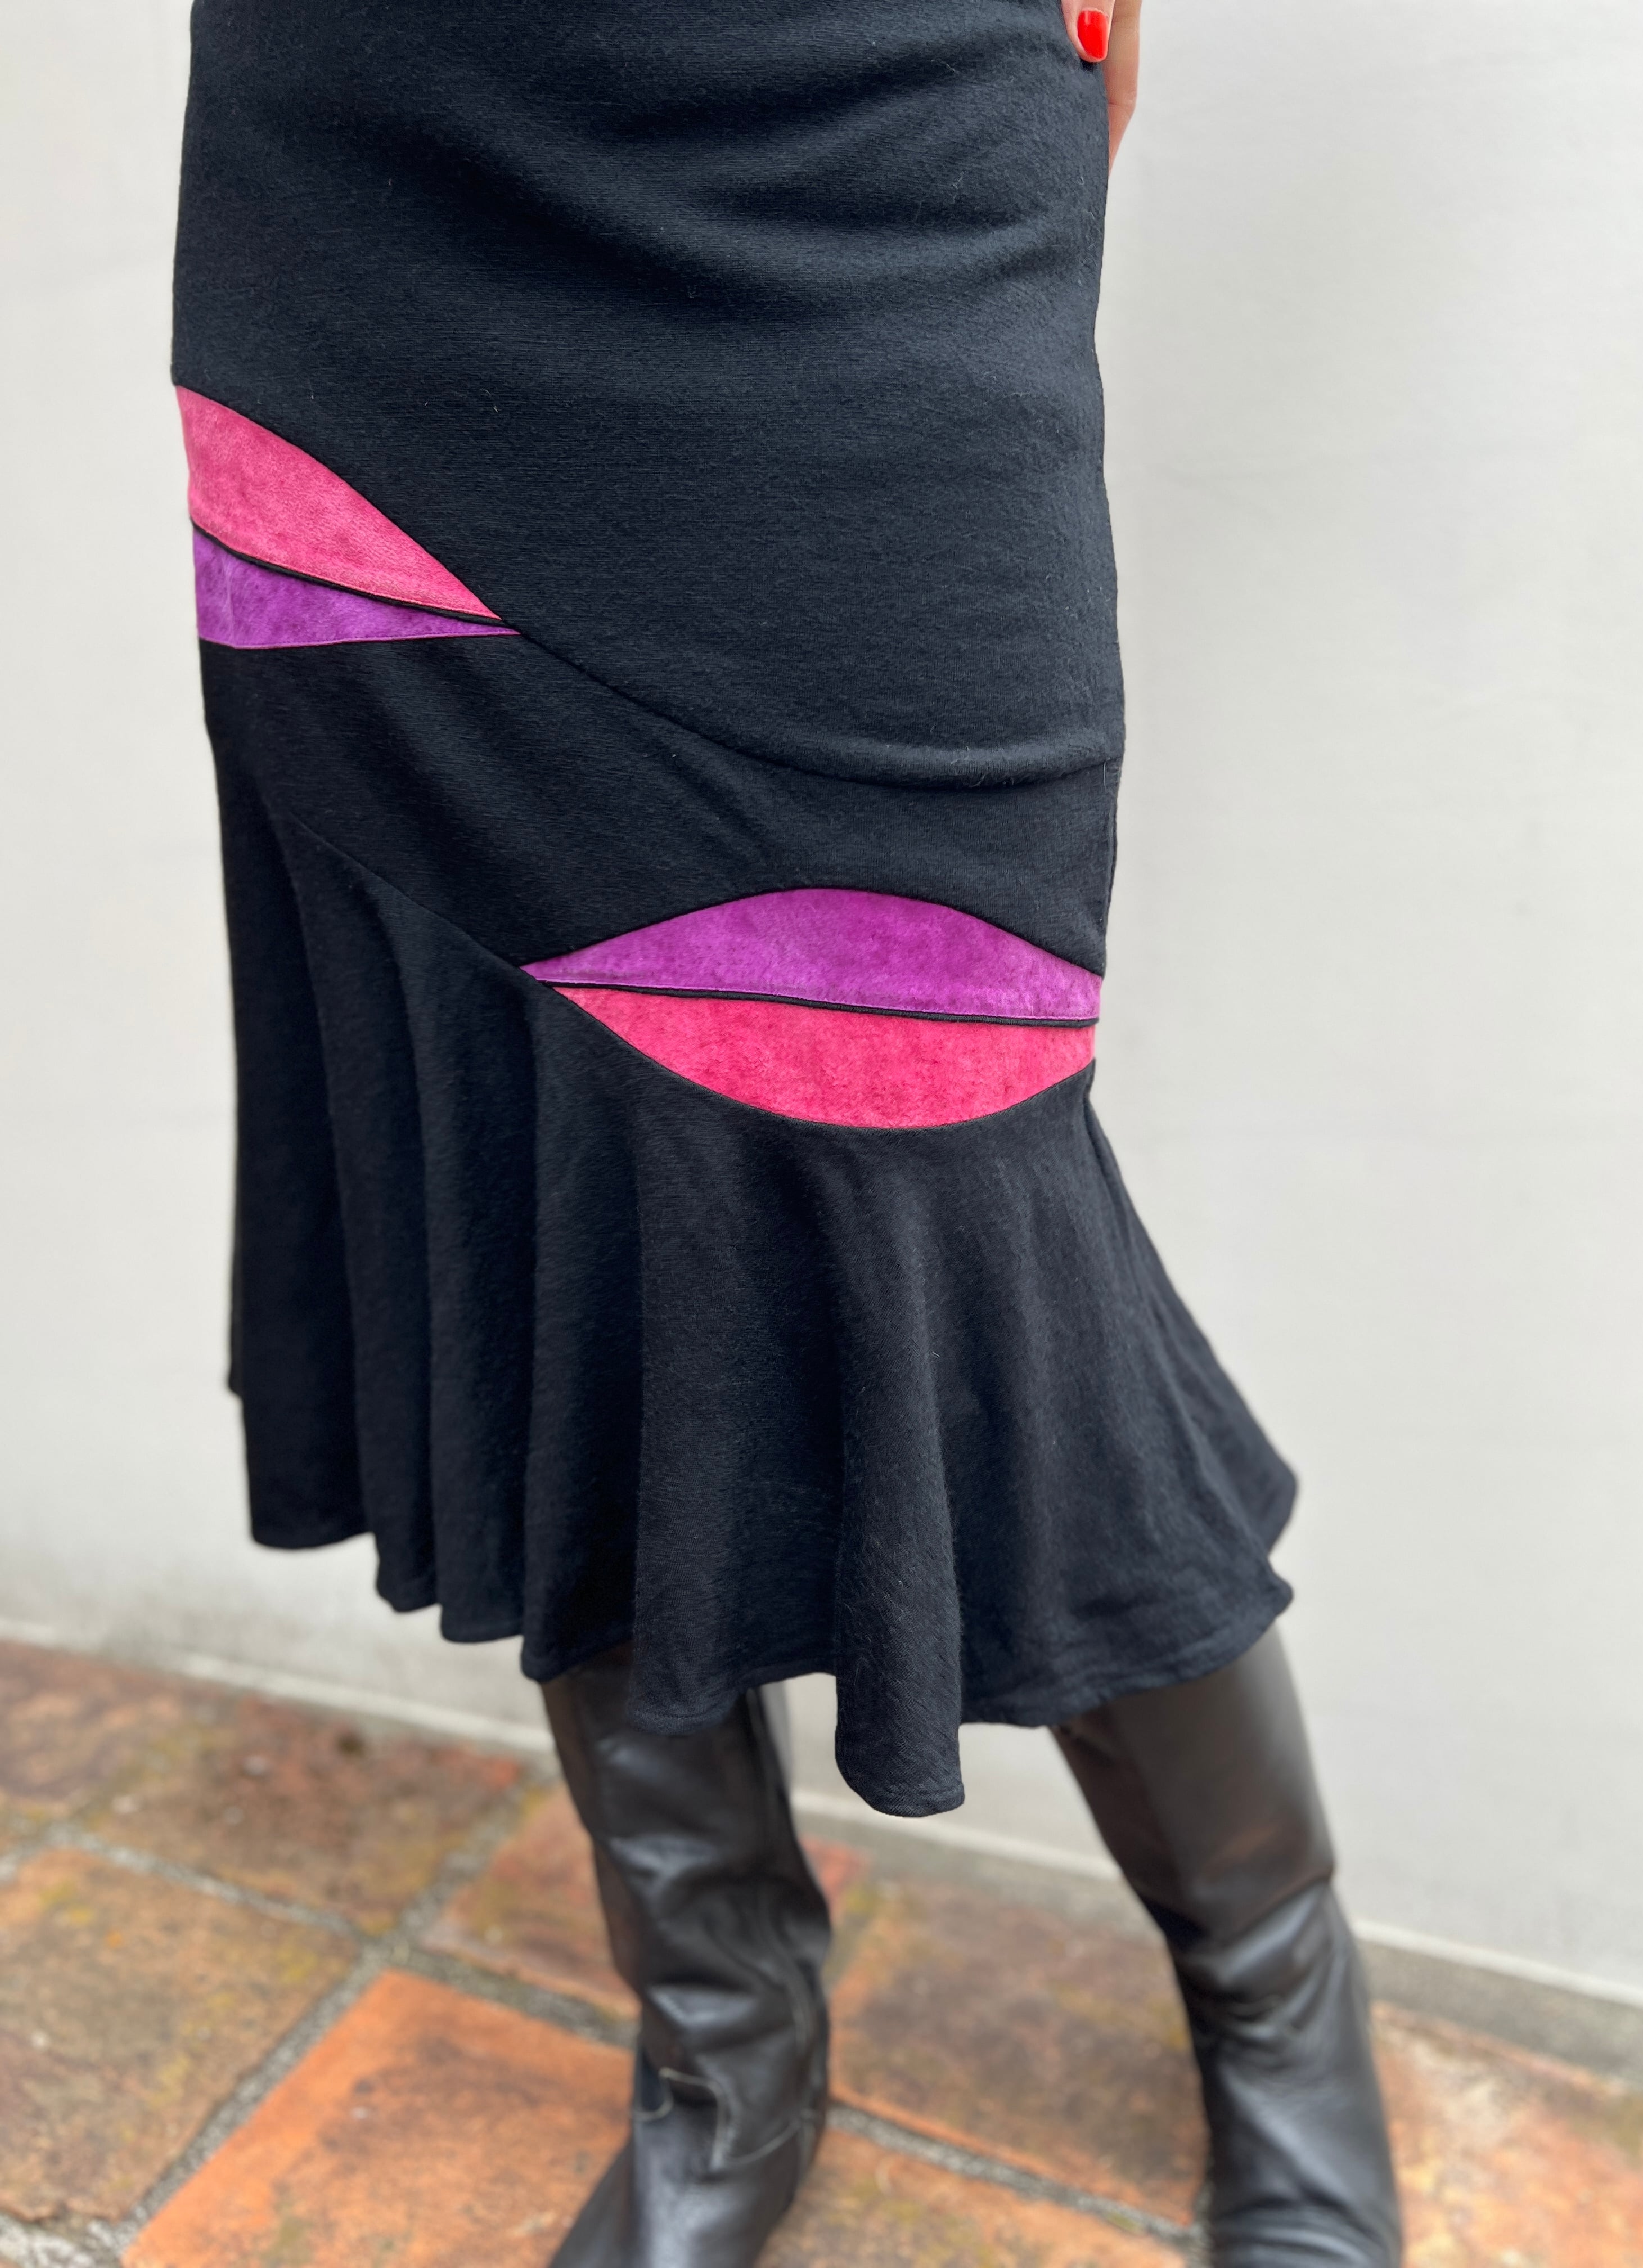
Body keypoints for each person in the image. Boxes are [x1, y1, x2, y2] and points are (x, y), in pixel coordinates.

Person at [172, 0, 1401, 2260]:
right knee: (517, 1117)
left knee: (948, 1146)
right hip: (370, 202)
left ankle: (1278, 1990)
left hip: (852, 131)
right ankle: (725, 2040)